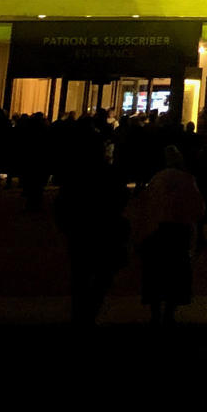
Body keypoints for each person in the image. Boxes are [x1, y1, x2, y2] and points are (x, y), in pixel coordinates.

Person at [55, 140, 128, 327]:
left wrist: (67, 225)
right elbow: (121, 199)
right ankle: (91, 311)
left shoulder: (76, 175)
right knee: (103, 275)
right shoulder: (111, 173)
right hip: (106, 230)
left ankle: (80, 314)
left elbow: (62, 203)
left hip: (80, 232)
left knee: (80, 276)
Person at [137, 146, 204, 324]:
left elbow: (147, 204)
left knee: (155, 272)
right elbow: (197, 206)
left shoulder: (157, 179)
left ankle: (155, 311)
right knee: (176, 272)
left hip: (157, 229)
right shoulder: (186, 179)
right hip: (178, 229)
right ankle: (170, 311)